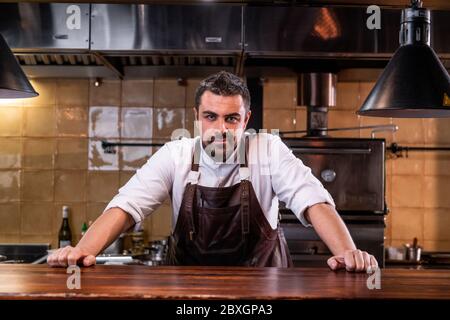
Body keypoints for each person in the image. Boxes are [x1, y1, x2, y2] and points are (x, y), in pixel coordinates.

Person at [48, 71, 378, 271]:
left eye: (231, 119)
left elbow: (312, 200)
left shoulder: (268, 149)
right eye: (211, 117)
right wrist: (83, 252)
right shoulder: (175, 155)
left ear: (246, 120)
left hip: (262, 290)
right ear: (197, 116)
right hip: (189, 294)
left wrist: (348, 254)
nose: (220, 128)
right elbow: (127, 205)